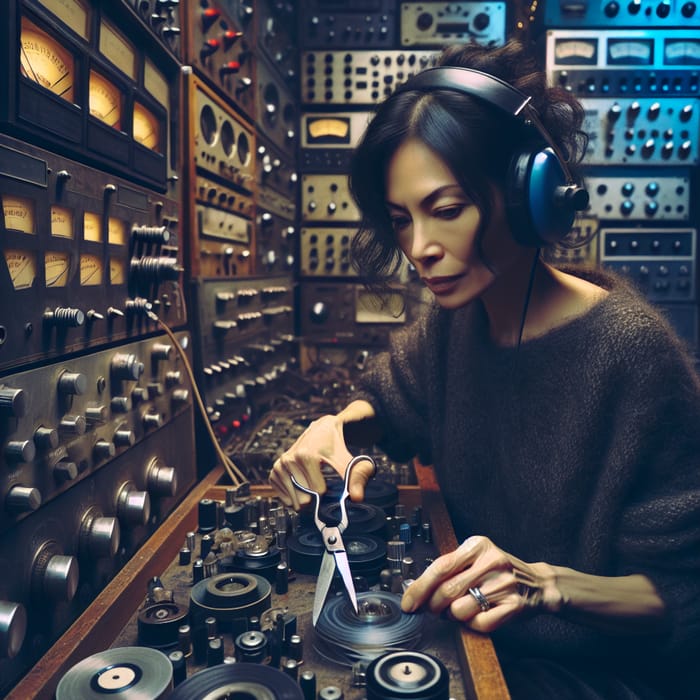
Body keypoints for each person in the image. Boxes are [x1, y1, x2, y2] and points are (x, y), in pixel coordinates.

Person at [270, 40, 700, 698]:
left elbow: (678, 596)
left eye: (445, 211)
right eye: (401, 221)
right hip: (471, 638)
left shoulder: (633, 351)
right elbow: (390, 405)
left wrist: (543, 584)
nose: (419, 249)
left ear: (531, 195)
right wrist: (338, 427)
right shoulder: (452, 323)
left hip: (586, 672)